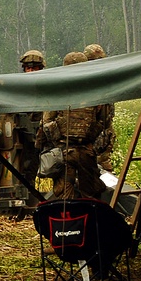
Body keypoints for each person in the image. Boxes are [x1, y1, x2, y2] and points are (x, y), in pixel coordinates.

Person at [37, 51, 107, 199]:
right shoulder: (96, 91)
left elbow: (46, 123)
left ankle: (69, 220)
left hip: (65, 151)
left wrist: (53, 144)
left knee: (66, 196)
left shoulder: (57, 91)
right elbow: (104, 122)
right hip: (84, 151)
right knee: (89, 195)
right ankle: (84, 220)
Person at [14, 50, 46, 192]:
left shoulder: (48, 87)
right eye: (28, 68)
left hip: (42, 138)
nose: (31, 71)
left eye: (35, 68)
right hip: (22, 139)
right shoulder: (18, 88)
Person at [84, 43, 116, 172]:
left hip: (103, 139)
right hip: (87, 140)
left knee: (106, 175)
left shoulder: (106, 82)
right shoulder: (83, 83)